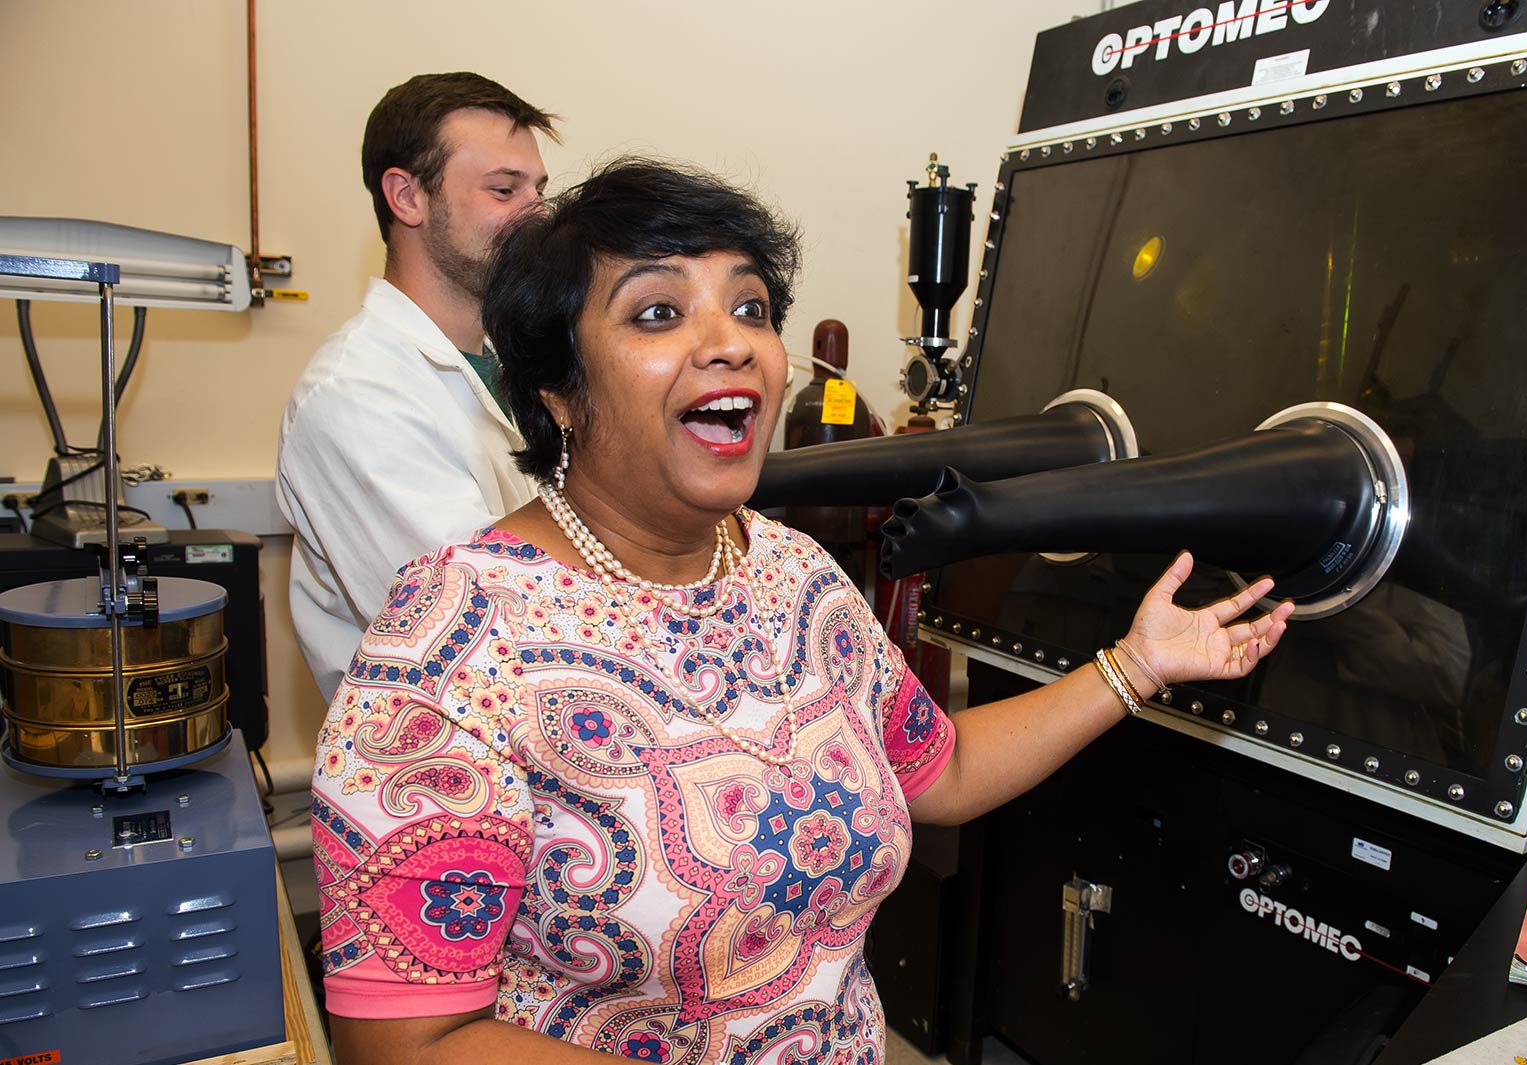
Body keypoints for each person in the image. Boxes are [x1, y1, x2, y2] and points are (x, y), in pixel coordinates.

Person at [311, 159, 1294, 1065]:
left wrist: (1135, 665)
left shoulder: (791, 571)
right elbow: (405, 1044)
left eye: (751, 305)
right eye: (657, 314)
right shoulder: (455, 636)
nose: (728, 341)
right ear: (557, 391)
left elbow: (936, 772)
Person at [277, 72, 559, 700]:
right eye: (504, 190)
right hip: (437, 768)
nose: (537, 216)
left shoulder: (510, 368)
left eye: (539, 190)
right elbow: (485, 626)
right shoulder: (355, 395)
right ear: (407, 198)